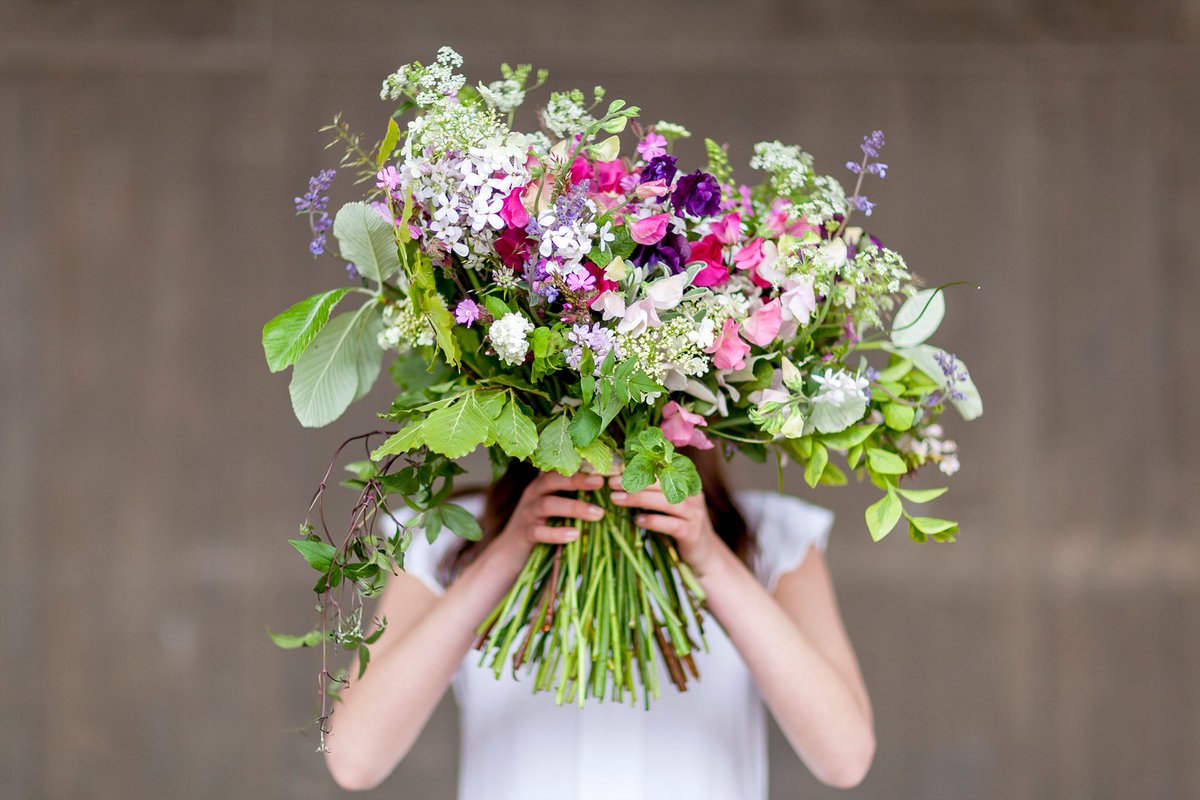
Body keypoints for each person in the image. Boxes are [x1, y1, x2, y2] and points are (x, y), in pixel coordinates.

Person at [323, 448, 874, 797]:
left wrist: (710, 559)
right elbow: (355, 760)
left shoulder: (769, 540)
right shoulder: (450, 538)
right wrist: (507, 552)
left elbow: (845, 757)